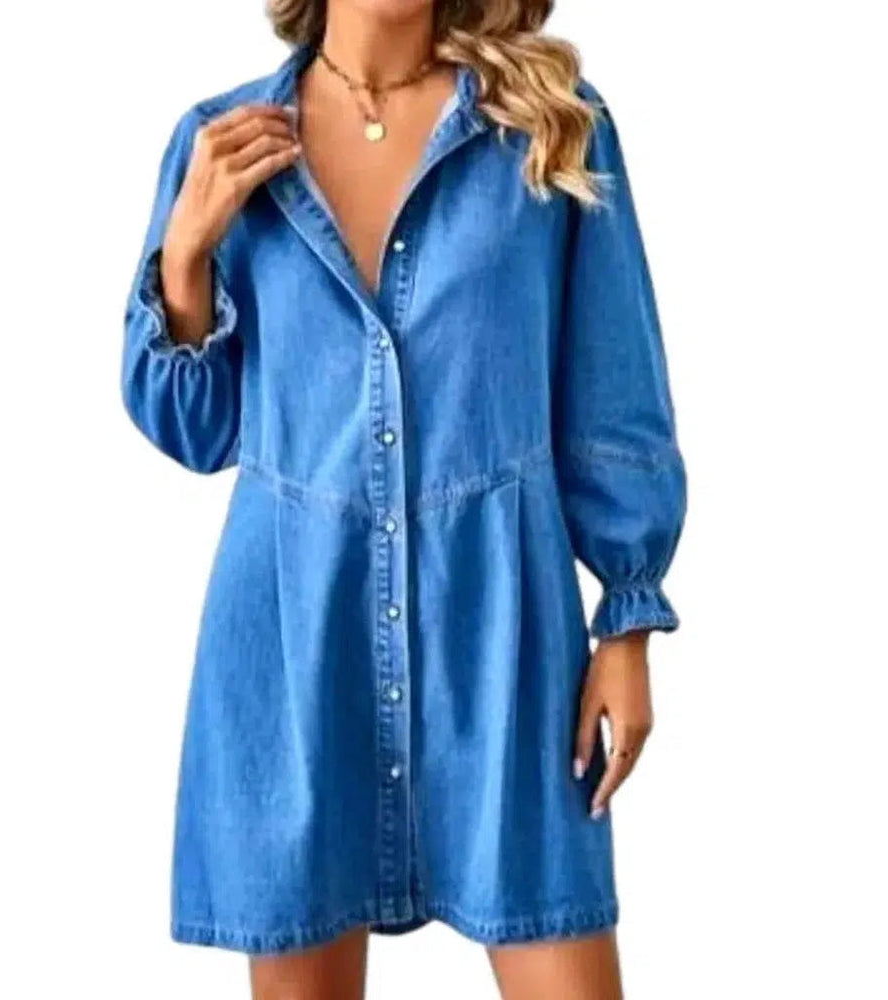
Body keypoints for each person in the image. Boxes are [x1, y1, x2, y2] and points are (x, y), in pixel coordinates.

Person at [120, 1, 686, 996]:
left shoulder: (549, 126)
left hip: (505, 639)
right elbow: (195, 431)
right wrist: (185, 255)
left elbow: (615, 394)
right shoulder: (222, 142)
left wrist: (627, 623)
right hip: (295, 643)